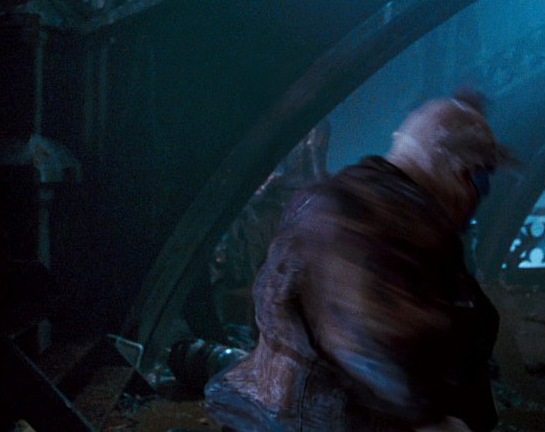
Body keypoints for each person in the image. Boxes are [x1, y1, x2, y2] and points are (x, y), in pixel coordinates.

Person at [205, 91, 509, 432]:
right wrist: (434, 420)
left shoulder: (377, 206)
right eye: (479, 177)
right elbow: (370, 338)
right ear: (456, 168)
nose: (475, 196)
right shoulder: (364, 214)